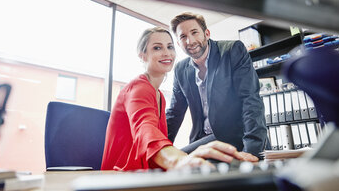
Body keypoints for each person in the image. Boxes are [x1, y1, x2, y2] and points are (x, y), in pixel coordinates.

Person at [101, 27, 258, 171]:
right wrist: (177, 160)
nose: (167, 53)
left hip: (145, 172)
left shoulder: (159, 95)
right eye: (157, 48)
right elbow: (145, 130)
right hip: (120, 176)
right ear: (142, 55)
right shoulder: (138, 88)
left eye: (170, 47)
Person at [166, 12, 267, 158]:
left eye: (195, 32)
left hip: (237, 139)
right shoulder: (180, 69)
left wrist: (252, 152)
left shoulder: (232, 51)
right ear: (178, 43)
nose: (190, 41)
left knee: (181, 160)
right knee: (172, 162)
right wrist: (160, 150)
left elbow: (250, 100)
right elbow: (174, 113)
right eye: (183, 37)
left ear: (207, 33)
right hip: (204, 140)